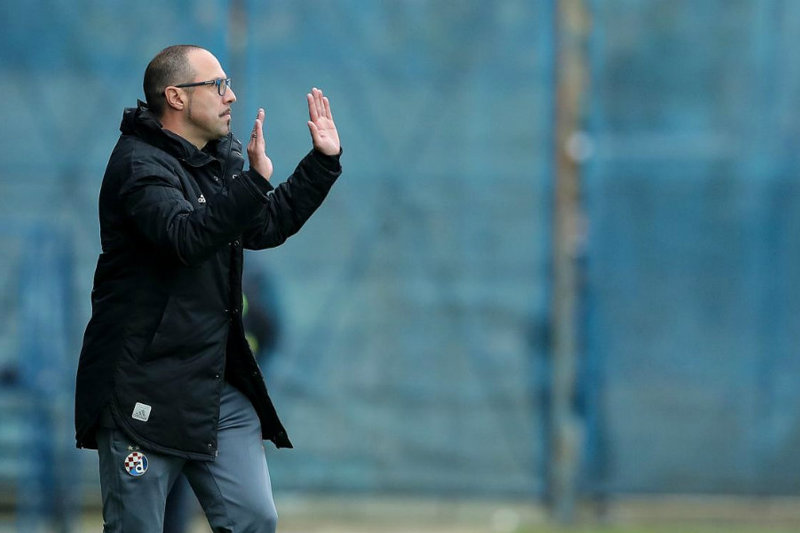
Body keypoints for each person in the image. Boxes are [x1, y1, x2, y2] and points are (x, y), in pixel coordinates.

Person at [74, 44, 341, 533]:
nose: (230, 95)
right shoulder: (138, 166)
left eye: (228, 85)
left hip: (215, 386)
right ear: (176, 97)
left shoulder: (219, 159)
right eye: (217, 85)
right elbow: (186, 238)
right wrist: (252, 184)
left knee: (254, 518)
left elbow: (263, 225)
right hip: (143, 388)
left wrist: (321, 164)